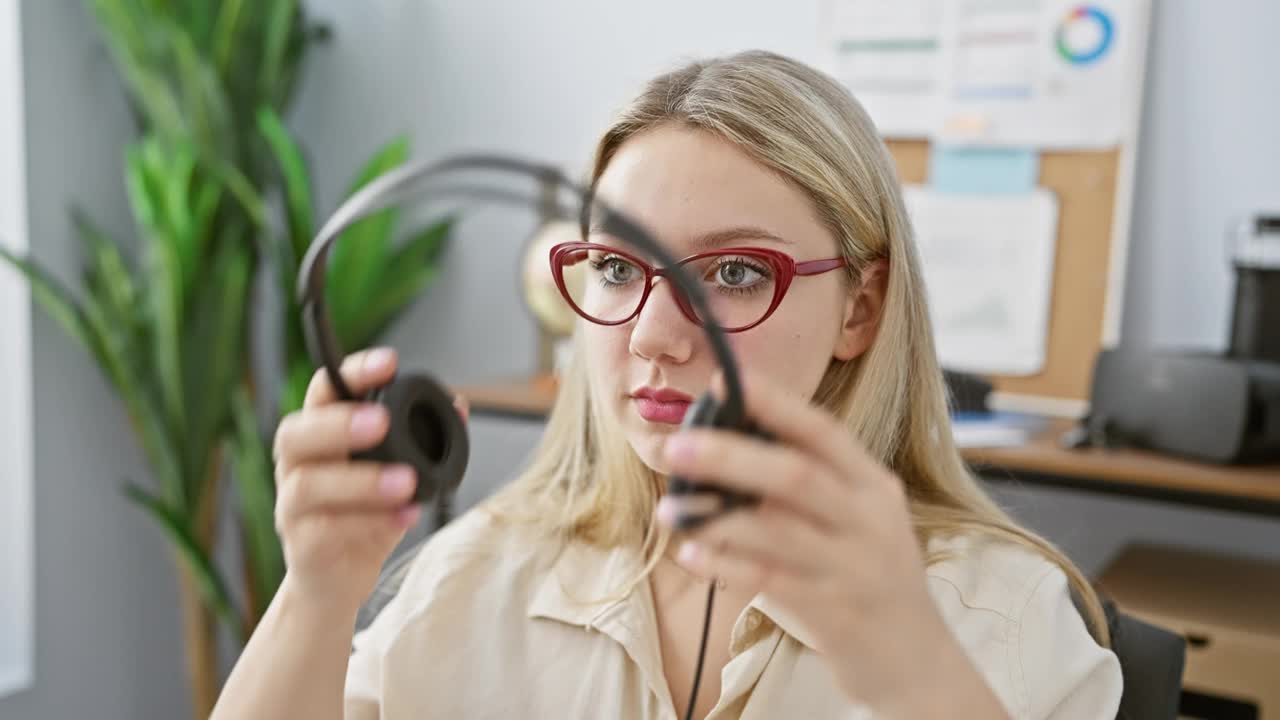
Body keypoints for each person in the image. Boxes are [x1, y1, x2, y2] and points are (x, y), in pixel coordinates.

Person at [212, 50, 1121, 719]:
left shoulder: (1002, 625)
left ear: (860, 307)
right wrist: (316, 595)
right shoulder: (473, 579)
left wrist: (907, 669)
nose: (652, 337)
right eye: (614, 269)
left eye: (730, 276)